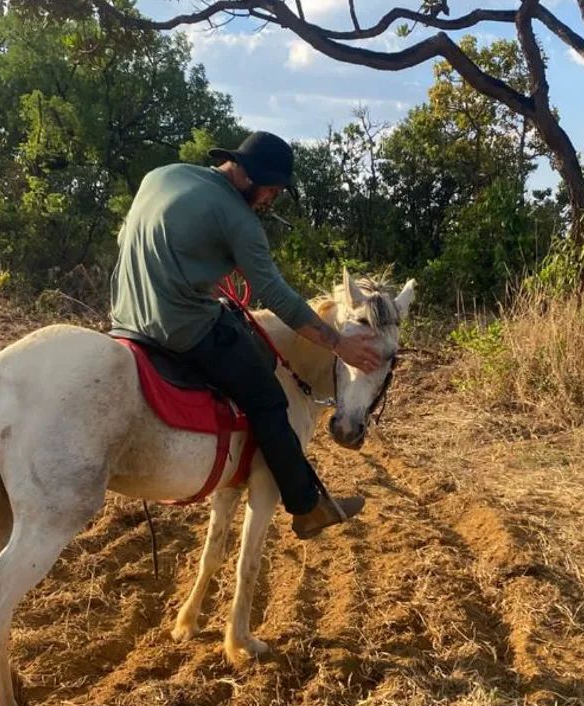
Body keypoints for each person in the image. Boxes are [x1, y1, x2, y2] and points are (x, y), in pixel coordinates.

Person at [110, 131, 382, 537]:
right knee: (269, 399)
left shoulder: (161, 176)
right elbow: (275, 295)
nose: (272, 197)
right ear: (250, 176)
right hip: (180, 327)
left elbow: (133, 240)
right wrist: (339, 344)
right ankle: (307, 506)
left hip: (125, 317)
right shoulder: (239, 219)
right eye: (271, 188)